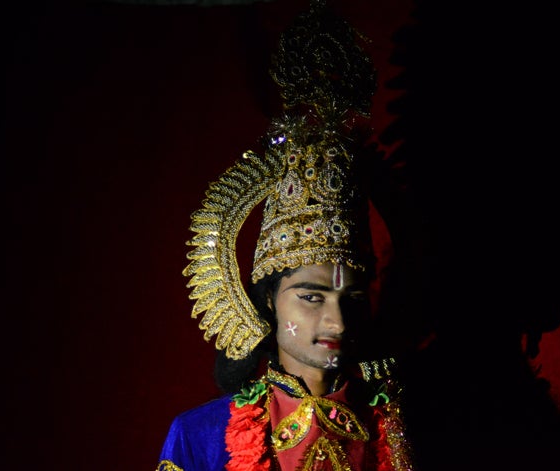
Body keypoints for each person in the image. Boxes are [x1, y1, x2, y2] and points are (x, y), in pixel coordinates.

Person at [155, 2, 414, 470]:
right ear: (267, 300)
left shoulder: (400, 430)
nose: (337, 323)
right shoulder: (200, 437)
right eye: (311, 297)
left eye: (351, 299)